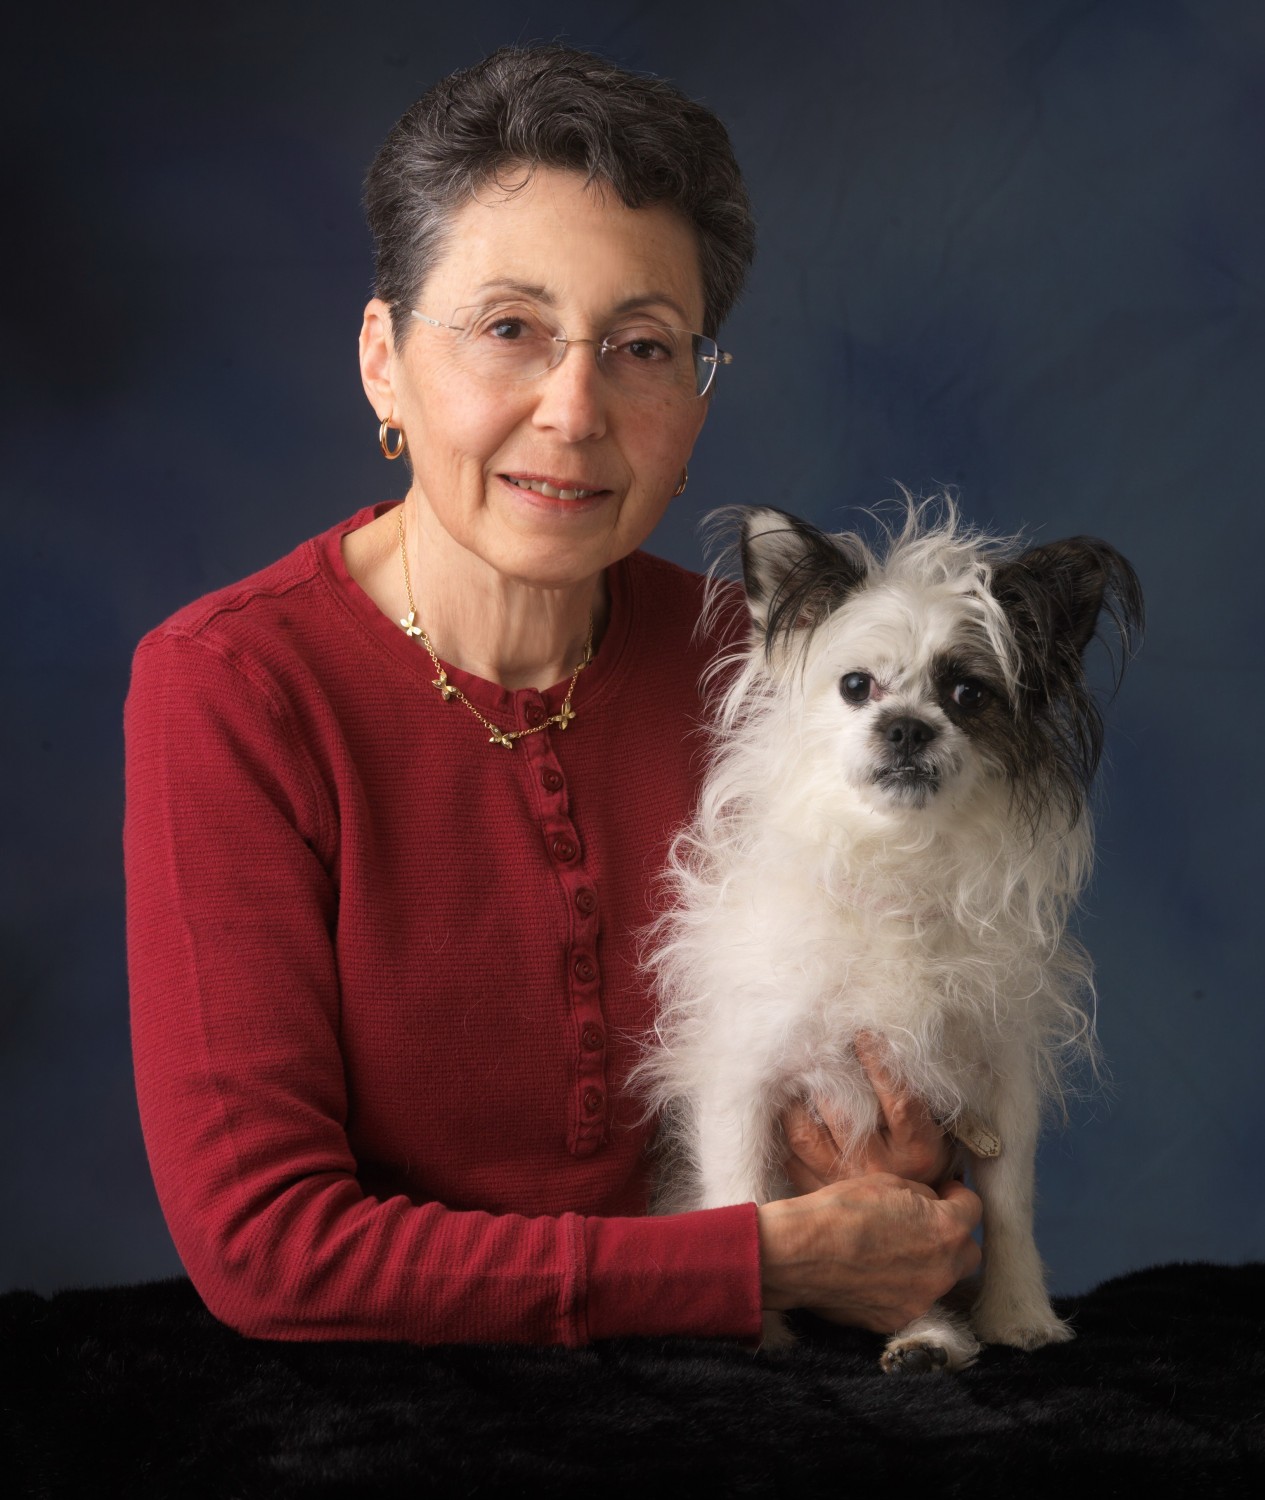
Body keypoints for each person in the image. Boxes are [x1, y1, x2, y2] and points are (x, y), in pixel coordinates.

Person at [125, 44, 980, 1346]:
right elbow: (266, 1251)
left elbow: (891, 1130)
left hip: (746, 1402)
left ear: (694, 400)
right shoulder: (234, 687)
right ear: (381, 361)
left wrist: (895, 1169)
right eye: (509, 328)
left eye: (642, 346)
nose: (574, 411)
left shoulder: (774, 672)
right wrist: (751, 1264)